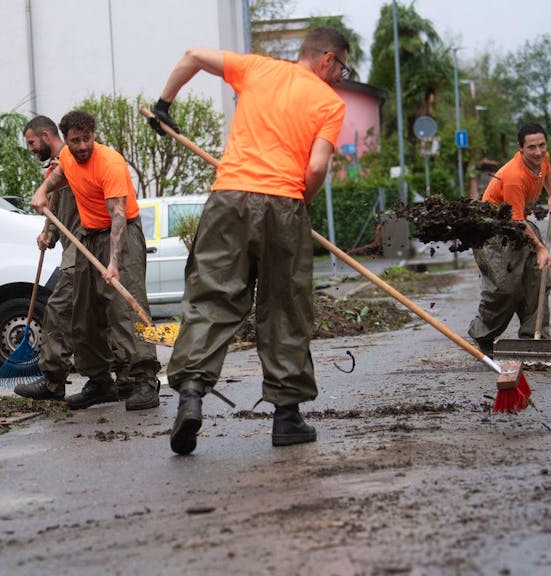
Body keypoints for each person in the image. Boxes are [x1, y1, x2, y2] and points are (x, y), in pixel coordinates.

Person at [148, 28, 349, 454]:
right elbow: (314, 170)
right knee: (283, 308)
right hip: (284, 205)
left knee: (211, 300)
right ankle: (287, 418)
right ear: (328, 60)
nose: (339, 78)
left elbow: (191, 54)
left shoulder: (256, 67)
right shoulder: (330, 103)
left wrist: (163, 107)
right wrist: (299, 205)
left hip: (229, 199)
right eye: (342, 69)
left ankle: (190, 397)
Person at [30, 109, 161, 411]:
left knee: (124, 309)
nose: (82, 146)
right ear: (66, 140)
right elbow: (62, 175)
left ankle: (143, 380)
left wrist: (114, 263)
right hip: (88, 235)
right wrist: (42, 190)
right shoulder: (66, 159)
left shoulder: (110, 162)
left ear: (93, 135)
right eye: (75, 141)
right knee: (85, 313)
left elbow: (118, 216)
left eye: (87, 139)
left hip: (121, 235)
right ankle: (100, 382)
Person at [468, 122, 551, 355]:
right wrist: (540, 248)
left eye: (541, 145)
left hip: (518, 226)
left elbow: (546, 172)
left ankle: (535, 339)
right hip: (492, 232)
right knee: (506, 288)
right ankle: (483, 335)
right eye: (531, 147)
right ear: (520, 148)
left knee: (538, 279)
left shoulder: (542, 158)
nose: (538, 152)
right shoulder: (513, 177)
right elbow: (517, 222)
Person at [13, 116, 83, 401]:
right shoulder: (54, 169)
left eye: (31, 142)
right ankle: (107, 380)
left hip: (84, 245)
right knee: (85, 317)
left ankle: (53, 381)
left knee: (57, 308)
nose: (30, 148)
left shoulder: (70, 161)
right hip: (72, 246)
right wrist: (49, 234)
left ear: (45, 135)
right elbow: (58, 210)